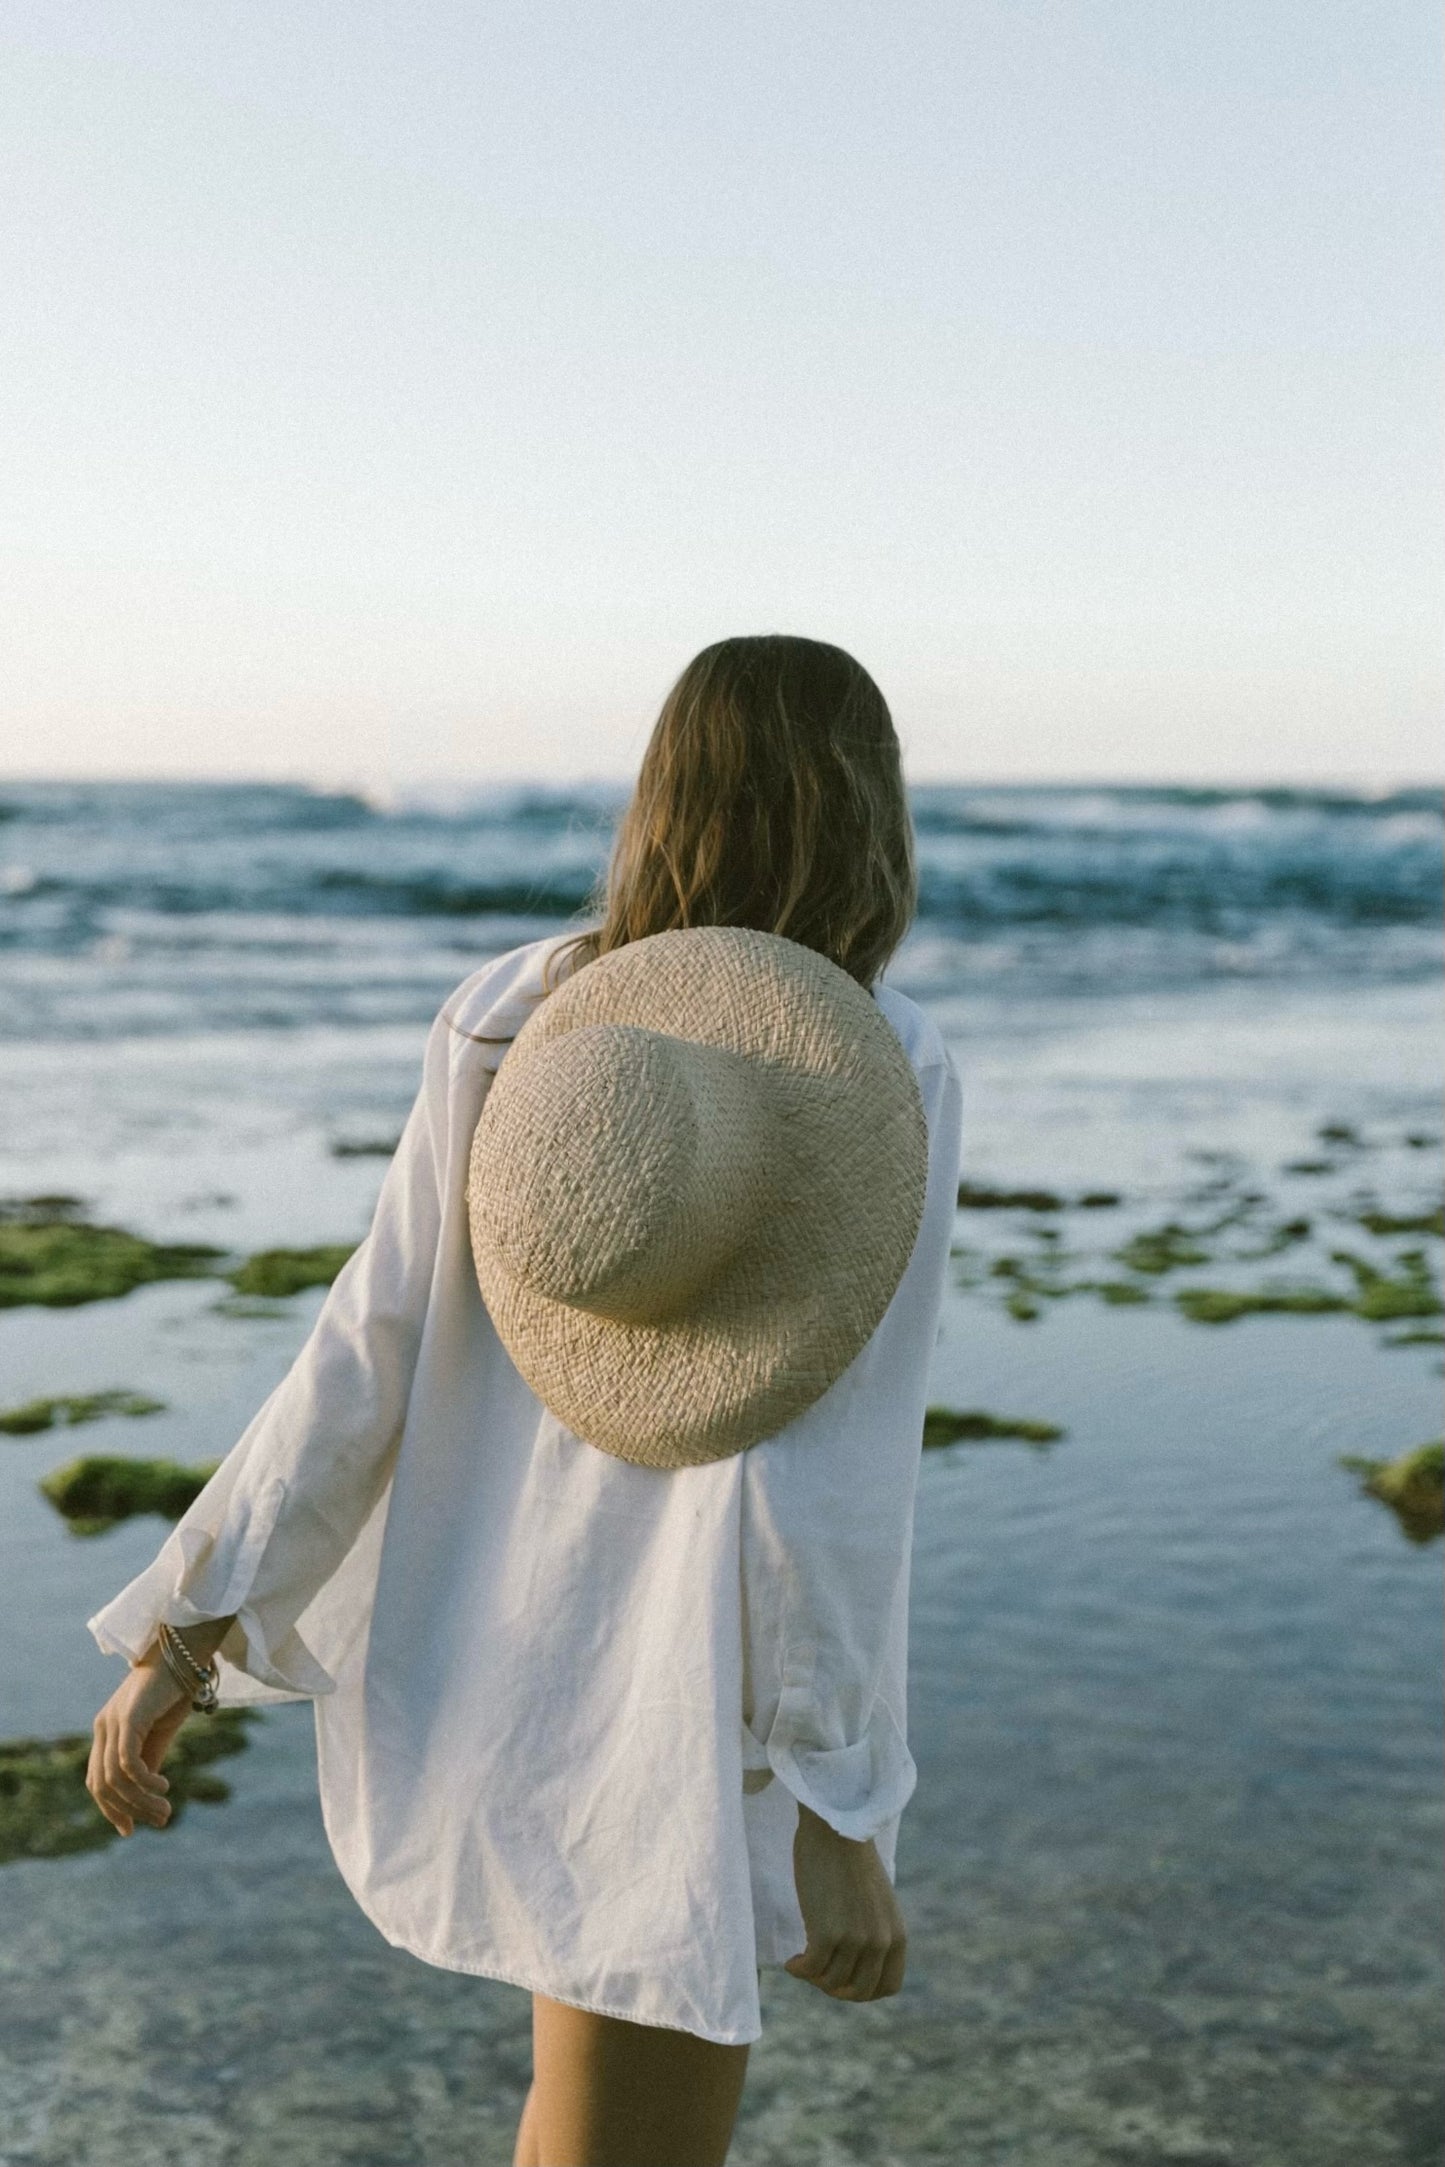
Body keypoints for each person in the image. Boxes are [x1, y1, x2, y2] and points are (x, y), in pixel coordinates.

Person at [85, 633, 964, 2167]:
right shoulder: (873, 1063)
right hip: (689, 1691)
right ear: (865, 810)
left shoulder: (512, 1013)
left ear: (662, 796)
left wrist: (199, 1616)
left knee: (579, 2115)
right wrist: (839, 1802)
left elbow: (370, 1340)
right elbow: (820, 1477)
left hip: (498, 1644)